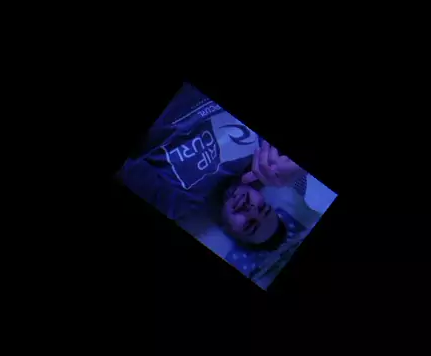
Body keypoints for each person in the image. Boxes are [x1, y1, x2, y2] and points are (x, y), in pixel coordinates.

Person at [117, 82, 322, 248]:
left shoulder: (176, 202)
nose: (251, 208)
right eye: (263, 208)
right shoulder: (262, 153)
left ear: (228, 230)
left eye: (249, 225)